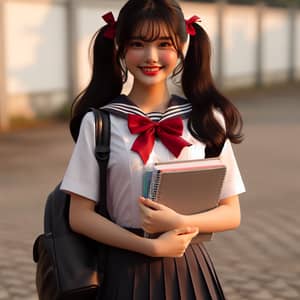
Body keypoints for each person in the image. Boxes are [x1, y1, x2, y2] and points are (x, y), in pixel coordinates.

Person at [61, 0, 245, 299]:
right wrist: (150, 246)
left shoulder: (207, 120)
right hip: (121, 269)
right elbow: (79, 216)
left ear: (183, 46)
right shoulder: (100, 123)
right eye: (138, 43)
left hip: (189, 269)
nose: (151, 56)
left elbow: (231, 213)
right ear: (120, 47)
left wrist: (182, 223)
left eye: (164, 44)